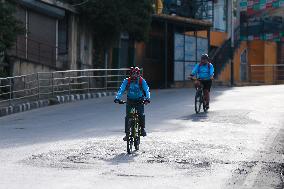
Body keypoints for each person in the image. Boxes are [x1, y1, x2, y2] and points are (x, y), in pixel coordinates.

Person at [114, 67, 150, 141]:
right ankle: (127, 134)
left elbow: (146, 90)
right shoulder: (127, 81)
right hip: (130, 100)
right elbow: (121, 90)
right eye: (133, 73)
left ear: (138, 74)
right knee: (128, 117)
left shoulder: (141, 81)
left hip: (140, 100)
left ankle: (142, 129)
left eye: (136, 74)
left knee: (140, 115)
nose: (134, 75)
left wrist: (147, 99)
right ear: (130, 74)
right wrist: (117, 98)